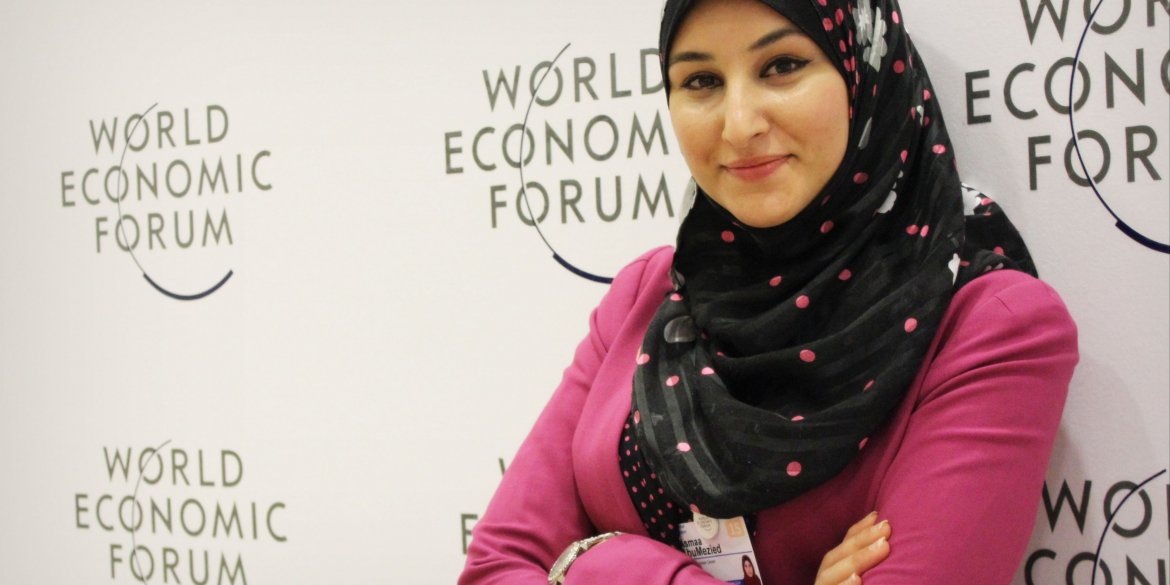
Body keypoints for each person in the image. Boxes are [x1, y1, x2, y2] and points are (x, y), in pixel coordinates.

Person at [459, 0, 1078, 583]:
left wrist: (594, 565)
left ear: (864, 69)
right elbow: (496, 566)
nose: (739, 125)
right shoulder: (647, 295)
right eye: (700, 80)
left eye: (782, 66)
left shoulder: (990, 327)